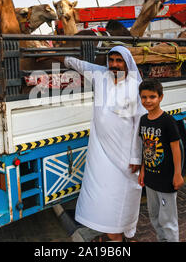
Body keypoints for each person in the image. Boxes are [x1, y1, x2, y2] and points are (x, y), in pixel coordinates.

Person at [54, 46, 146, 242]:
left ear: (127, 63)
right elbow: (78, 64)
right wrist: (57, 56)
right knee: (102, 197)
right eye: (111, 59)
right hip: (101, 153)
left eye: (118, 60)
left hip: (125, 157)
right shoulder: (100, 75)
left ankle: (118, 236)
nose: (114, 64)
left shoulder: (135, 88)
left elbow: (139, 125)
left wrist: (136, 157)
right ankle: (112, 235)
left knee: (121, 197)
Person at [138, 78, 184, 242]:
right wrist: (143, 171)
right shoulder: (143, 120)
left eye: (152, 97)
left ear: (161, 97)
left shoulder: (167, 121)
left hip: (166, 181)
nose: (148, 101)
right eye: (144, 97)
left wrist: (177, 174)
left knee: (168, 221)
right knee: (155, 217)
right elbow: (145, 148)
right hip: (150, 179)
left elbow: (176, 149)